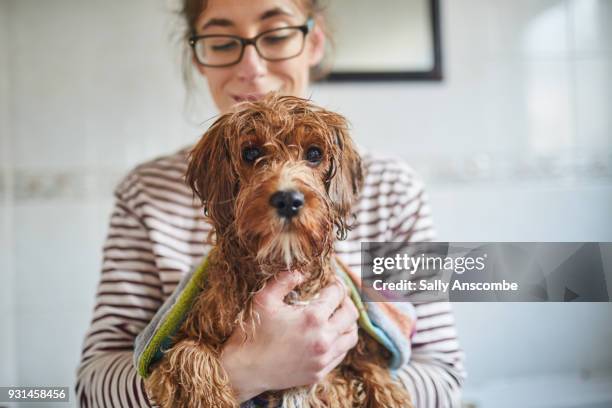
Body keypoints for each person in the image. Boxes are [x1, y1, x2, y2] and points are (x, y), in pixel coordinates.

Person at [75, 0, 466, 406]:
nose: (252, 67)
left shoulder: (392, 189)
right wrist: (242, 374)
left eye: (276, 35)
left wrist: (323, 393)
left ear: (313, 42)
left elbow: (443, 374)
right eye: (223, 41)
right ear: (198, 55)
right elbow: (92, 387)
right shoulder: (144, 193)